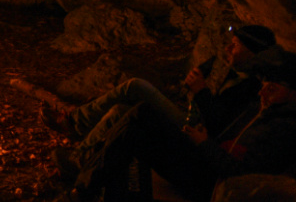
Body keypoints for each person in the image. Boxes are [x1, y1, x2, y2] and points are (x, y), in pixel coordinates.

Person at [64, 50, 296, 202]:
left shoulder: (283, 129)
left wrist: (204, 143)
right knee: (139, 118)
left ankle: (82, 185)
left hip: (211, 181)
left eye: (272, 88)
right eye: (265, 85)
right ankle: (84, 181)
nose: (262, 91)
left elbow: (240, 173)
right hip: (206, 153)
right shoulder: (260, 108)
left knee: (141, 117)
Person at [42, 25, 276, 150]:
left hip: (198, 137)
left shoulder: (254, 87)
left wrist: (201, 90)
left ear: (252, 52)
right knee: (120, 112)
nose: (227, 50)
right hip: (194, 120)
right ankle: (82, 152)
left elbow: (218, 125)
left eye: (234, 46)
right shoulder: (238, 75)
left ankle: (74, 122)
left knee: (136, 86)